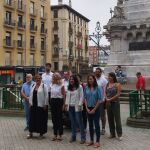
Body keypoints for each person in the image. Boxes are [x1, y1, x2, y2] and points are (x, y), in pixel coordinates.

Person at [65, 75, 86, 144]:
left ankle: (83, 138)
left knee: (79, 122)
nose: (71, 80)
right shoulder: (69, 87)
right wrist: (66, 104)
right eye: (70, 79)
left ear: (75, 80)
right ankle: (73, 136)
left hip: (77, 107)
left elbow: (81, 96)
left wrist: (80, 105)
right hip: (70, 107)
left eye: (72, 79)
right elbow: (67, 97)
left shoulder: (79, 87)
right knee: (72, 122)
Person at [27, 74, 48, 139]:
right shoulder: (33, 85)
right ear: (35, 79)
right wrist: (30, 103)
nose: (38, 79)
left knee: (40, 120)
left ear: (41, 79)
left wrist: (45, 104)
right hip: (33, 105)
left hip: (41, 105)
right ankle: (31, 133)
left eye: (39, 78)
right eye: (36, 78)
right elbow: (30, 94)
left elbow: (46, 96)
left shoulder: (44, 86)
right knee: (32, 119)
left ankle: (41, 134)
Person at [84, 74, 102, 148]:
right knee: (90, 125)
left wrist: (94, 109)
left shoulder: (98, 88)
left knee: (96, 125)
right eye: (89, 79)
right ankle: (91, 140)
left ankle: (97, 141)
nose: (90, 80)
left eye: (91, 79)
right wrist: (87, 108)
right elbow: (85, 98)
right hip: (88, 108)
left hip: (96, 108)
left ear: (94, 79)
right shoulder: (86, 88)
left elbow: (99, 99)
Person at [105, 72, 123, 141]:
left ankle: (119, 134)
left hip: (115, 103)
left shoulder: (117, 84)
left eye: (110, 76)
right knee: (110, 119)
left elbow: (118, 94)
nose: (109, 77)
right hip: (108, 104)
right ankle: (112, 133)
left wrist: (110, 99)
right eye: (108, 76)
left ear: (113, 77)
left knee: (117, 119)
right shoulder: (107, 84)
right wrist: (107, 99)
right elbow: (105, 92)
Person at [50, 72, 65, 141]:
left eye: (56, 75)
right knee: (54, 118)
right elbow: (50, 95)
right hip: (53, 102)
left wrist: (64, 104)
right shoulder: (51, 85)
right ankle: (55, 134)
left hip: (59, 101)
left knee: (59, 119)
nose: (55, 76)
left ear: (59, 77)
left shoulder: (61, 85)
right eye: (54, 75)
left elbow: (64, 95)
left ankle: (60, 135)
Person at [95, 68, 108, 135]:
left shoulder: (104, 80)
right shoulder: (94, 79)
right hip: (94, 100)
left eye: (98, 72)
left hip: (101, 101)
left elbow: (105, 91)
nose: (97, 73)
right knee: (96, 115)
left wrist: (104, 100)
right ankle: (97, 127)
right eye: (96, 72)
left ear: (101, 72)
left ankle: (103, 128)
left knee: (102, 115)